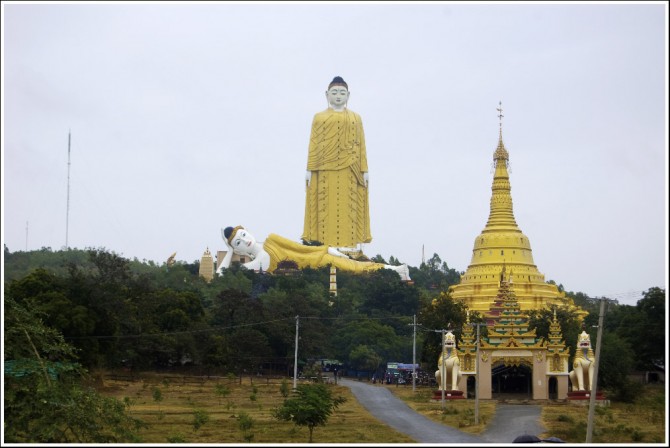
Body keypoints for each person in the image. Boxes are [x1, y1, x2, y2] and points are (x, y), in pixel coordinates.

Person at [302, 76, 372, 252]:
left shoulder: (356, 118)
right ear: (327, 95)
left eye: (342, 93)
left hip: (350, 169)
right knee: (325, 208)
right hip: (325, 169)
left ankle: (350, 247)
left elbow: (362, 144)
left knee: (350, 208)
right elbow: (314, 143)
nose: (338, 96)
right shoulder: (319, 118)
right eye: (334, 93)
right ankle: (324, 246)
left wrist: (365, 169)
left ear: (348, 95)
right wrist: (309, 168)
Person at [217, 225, 410, 281]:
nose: (245, 240)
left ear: (248, 231)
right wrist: (228, 251)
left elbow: (301, 248)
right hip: (318, 274)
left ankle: (395, 270)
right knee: (357, 270)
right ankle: (395, 271)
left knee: (357, 267)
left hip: (320, 259)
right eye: (239, 242)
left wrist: (327, 249)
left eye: (243, 234)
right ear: (238, 248)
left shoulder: (272, 239)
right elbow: (221, 276)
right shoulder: (256, 263)